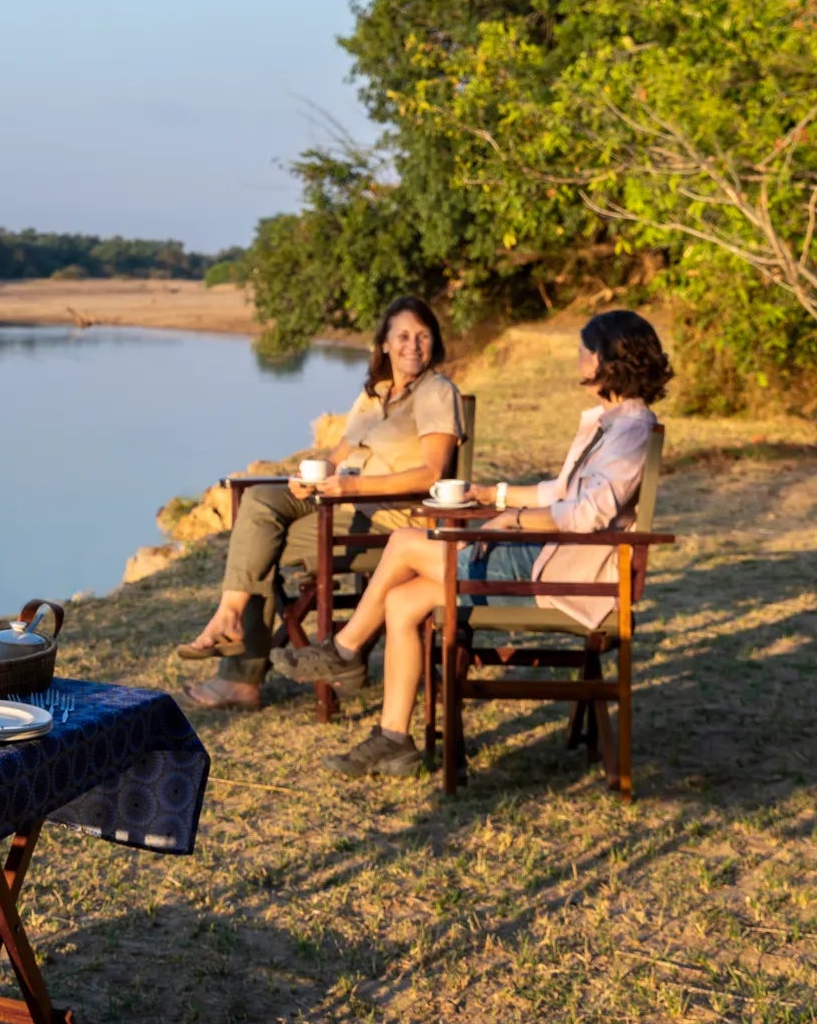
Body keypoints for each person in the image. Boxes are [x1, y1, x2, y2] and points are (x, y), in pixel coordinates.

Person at [275, 309, 675, 776]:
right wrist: (492, 495)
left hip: (562, 574)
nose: (579, 357)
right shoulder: (610, 422)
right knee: (403, 602)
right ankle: (394, 740)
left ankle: (344, 651)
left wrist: (516, 521)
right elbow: (563, 491)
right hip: (550, 558)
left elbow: (588, 514)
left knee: (404, 540)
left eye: (586, 349)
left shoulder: (628, 430)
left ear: (609, 359)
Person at [179, 296, 465, 710]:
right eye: (403, 335)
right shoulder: (375, 395)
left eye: (423, 336)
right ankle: (230, 618)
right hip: (339, 502)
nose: (413, 345)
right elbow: (335, 456)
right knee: (259, 502)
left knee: (256, 546)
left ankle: (238, 668)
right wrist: (306, 478)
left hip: (389, 519)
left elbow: (433, 475)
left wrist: (353, 488)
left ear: (434, 343)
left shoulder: (437, 392)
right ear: (384, 343)